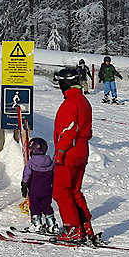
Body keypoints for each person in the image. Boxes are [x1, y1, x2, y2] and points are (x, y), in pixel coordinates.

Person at [52, 66, 98, 244]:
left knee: (61, 192)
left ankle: (73, 229)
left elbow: (68, 129)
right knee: (74, 191)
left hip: (70, 152)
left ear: (66, 83)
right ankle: (85, 227)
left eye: (61, 83)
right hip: (82, 150)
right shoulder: (83, 100)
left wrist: (60, 152)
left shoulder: (70, 103)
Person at [21, 137, 57, 234]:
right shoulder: (50, 162)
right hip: (47, 190)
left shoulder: (31, 163)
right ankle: (51, 224)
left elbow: (26, 176)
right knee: (47, 206)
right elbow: (54, 175)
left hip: (34, 190)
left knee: (35, 207)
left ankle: (37, 224)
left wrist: (24, 186)